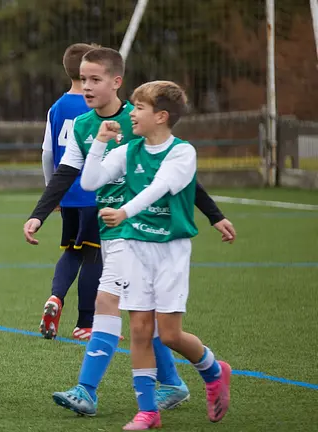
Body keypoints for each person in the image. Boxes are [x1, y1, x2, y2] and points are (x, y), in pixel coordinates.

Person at [22, 48, 236, 416]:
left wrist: (213, 214)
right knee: (143, 316)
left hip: (141, 230)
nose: (85, 87)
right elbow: (68, 174)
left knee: (109, 303)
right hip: (114, 228)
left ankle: (87, 390)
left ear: (116, 82)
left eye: (94, 80)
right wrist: (38, 214)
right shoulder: (86, 126)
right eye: (82, 79)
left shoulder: (140, 119)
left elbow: (175, 177)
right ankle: (174, 381)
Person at [80, 80, 231, 429]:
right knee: (139, 329)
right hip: (135, 248)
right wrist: (100, 144)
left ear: (161, 116)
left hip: (170, 252)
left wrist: (125, 212)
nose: (131, 113)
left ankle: (213, 370)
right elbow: (90, 182)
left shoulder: (182, 153)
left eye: (140, 108)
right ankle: (148, 410)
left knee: (170, 334)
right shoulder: (128, 151)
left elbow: (160, 187)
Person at [39, 42, 99, 341]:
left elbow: (48, 154)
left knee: (71, 251)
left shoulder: (58, 107)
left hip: (68, 193)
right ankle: (86, 323)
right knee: (93, 256)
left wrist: (54, 193)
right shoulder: (98, 105)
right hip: (96, 194)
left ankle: (56, 297)